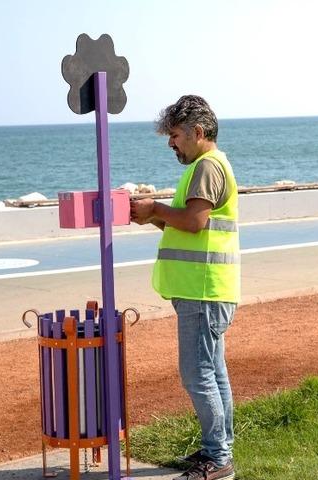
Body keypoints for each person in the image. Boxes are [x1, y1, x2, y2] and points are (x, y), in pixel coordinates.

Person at [130, 95, 239, 480]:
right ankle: (218, 449)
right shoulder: (206, 166)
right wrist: (155, 218)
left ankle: (219, 457)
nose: (170, 143)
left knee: (198, 374)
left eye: (174, 135)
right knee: (214, 371)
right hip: (206, 289)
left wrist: (156, 209)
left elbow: (193, 221)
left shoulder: (207, 167)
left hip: (203, 290)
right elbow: (194, 226)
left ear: (197, 131)